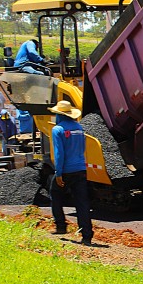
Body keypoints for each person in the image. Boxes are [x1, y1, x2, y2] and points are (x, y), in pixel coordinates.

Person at [47, 99, 93, 245]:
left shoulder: (57, 130)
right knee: (82, 203)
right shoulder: (79, 128)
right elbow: (83, 148)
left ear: (59, 115)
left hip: (66, 170)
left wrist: (59, 173)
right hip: (80, 169)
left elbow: (59, 154)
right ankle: (87, 235)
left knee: (55, 194)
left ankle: (61, 225)